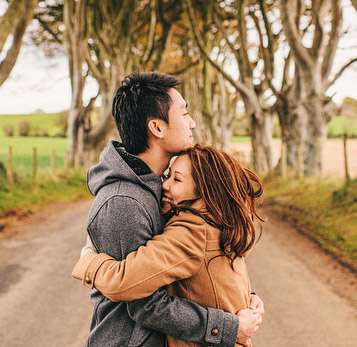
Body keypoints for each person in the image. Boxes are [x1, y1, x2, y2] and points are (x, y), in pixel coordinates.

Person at [79, 71, 262, 347]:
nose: (192, 123)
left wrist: (241, 296)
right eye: (184, 113)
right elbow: (143, 303)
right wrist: (229, 327)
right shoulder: (124, 204)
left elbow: (196, 270)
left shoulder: (165, 193)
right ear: (157, 128)